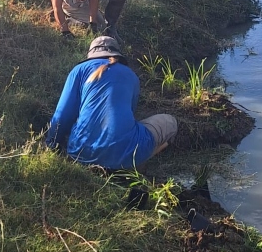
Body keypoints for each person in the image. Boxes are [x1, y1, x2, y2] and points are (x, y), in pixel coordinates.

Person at [45, 36, 178, 170]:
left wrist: (51, 143)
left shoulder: (79, 70)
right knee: (170, 121)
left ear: (91, 54)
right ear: (117, 54)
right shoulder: (131, 76)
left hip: (79, 154)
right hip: (125, 152)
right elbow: (131, 112)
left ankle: (116, 165)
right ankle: (133, 163)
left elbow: (63, 114)